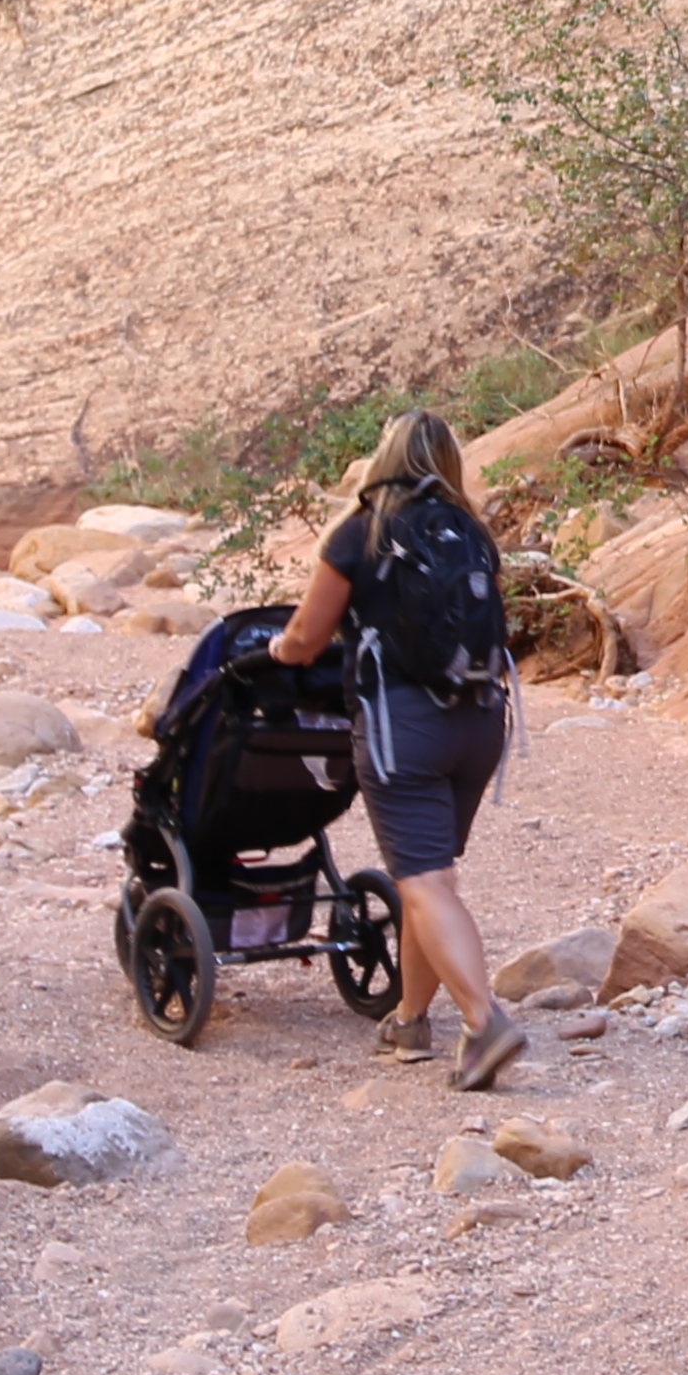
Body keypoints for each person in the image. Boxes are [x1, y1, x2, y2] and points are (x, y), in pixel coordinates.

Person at [270, 410, 531, 1089]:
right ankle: (412, 1021)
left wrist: (278, 651)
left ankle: (484, 1021)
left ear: (382, 457)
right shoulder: (470, 531)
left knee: (423, 880)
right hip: (480, 724)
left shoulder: (363, 530)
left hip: (403, 728)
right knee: (430, 875)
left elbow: (306, 636)